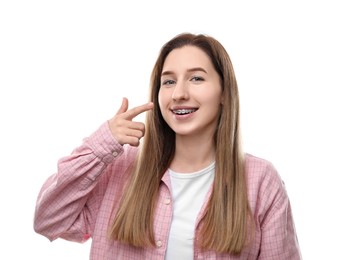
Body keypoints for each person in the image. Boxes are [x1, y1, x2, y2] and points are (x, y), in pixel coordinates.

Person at [33, 32, 302, 259]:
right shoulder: (120, 166)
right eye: (169, 81)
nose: (179, 94)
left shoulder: (261, 180)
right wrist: (102, 144)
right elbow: (48, 220)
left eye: (196, 78)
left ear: (224, 93)